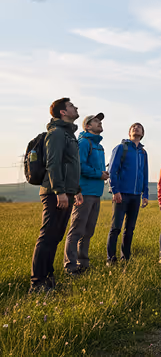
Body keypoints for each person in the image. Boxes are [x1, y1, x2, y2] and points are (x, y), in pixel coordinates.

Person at [29, 98, 83, 293]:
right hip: (54, 193)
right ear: (63, 112)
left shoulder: (68, 134)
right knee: (47, 236)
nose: (76, 107)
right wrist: (59, 191)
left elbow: (70, 165)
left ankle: (48, 279)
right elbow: (53, 163)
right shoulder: (57, 133)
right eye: (71, 106)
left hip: (65, 192)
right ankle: (37, 283)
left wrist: (75, 190)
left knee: (55, 237)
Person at [64, 113, 109, 274]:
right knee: (76, 230)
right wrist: (99, 174)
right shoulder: (83, 143)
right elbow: (79, 166)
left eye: (100, 121)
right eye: (96, 121)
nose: (100, 123)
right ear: (87, 126)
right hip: (84, 192)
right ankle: (70, 266)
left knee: (88, 231)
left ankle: (83, 264)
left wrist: (102, 174)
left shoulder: (99, 146)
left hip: (96, 193)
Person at [106, 123, 149, 265]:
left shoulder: (143, 153)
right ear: (129, 132)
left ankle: (126, 258)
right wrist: (115, 190)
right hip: (122, 194)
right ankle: (110, 259)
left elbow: (145, 174)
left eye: (139, 127)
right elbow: (112, 170)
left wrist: (145, 194)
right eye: (133, 127)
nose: (136, 128)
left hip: (136, 196)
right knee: (116, 227)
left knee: (129, 229)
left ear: (142, 133)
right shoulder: (121, 148)